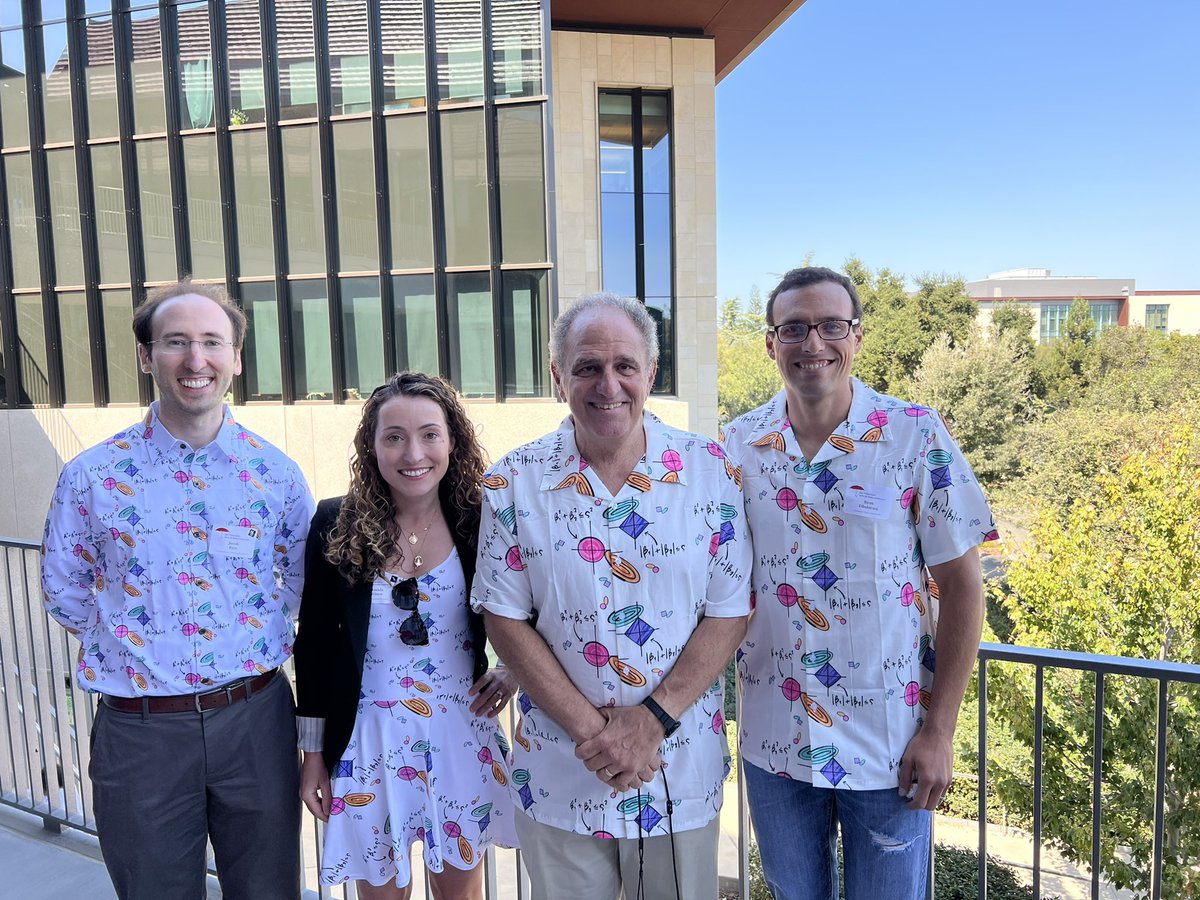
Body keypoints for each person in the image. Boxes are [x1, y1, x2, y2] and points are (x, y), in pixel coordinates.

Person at [723, 266, 998, 900]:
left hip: (889, 744)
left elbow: (962, 588)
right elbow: (702, 582)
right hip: (776, 742)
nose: (812, 342)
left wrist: (940, 731)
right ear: (771, 343)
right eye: (793, 327)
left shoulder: (915, 434)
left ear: (857, 336)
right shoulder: (736, 448)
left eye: (830, 326)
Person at [471, 293, 752, 900]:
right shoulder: (512, 482)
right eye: (586, 367)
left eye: (625, 366)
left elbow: (729, 609)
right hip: (560, 773)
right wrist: (596, 736)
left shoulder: (710, 470)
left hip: (676, 770)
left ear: (651, 373)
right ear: (557, 377)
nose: (608, 385)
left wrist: (650, 722)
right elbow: (504, 616)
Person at [40, 280, 315, 899]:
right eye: (176, 343)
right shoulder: (92, 477)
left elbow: (303, 590)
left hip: (255, 721)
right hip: (141, 735)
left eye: (212, 342)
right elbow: (65, 591)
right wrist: (144, 646)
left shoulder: (275, 474)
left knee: (269, 890)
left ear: (236, 358)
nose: (197, 360)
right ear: (147, 357)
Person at [293, 372, 518, 899]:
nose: (412, 452)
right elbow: (316, 646)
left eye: (429, 434)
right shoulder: (336, 523)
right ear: (370, 447)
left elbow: (534, 611)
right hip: (368, 738)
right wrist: (313, 758)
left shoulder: (481, 520)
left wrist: (511, 671)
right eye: (393, 436)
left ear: (452, 440)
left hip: (460, 734)